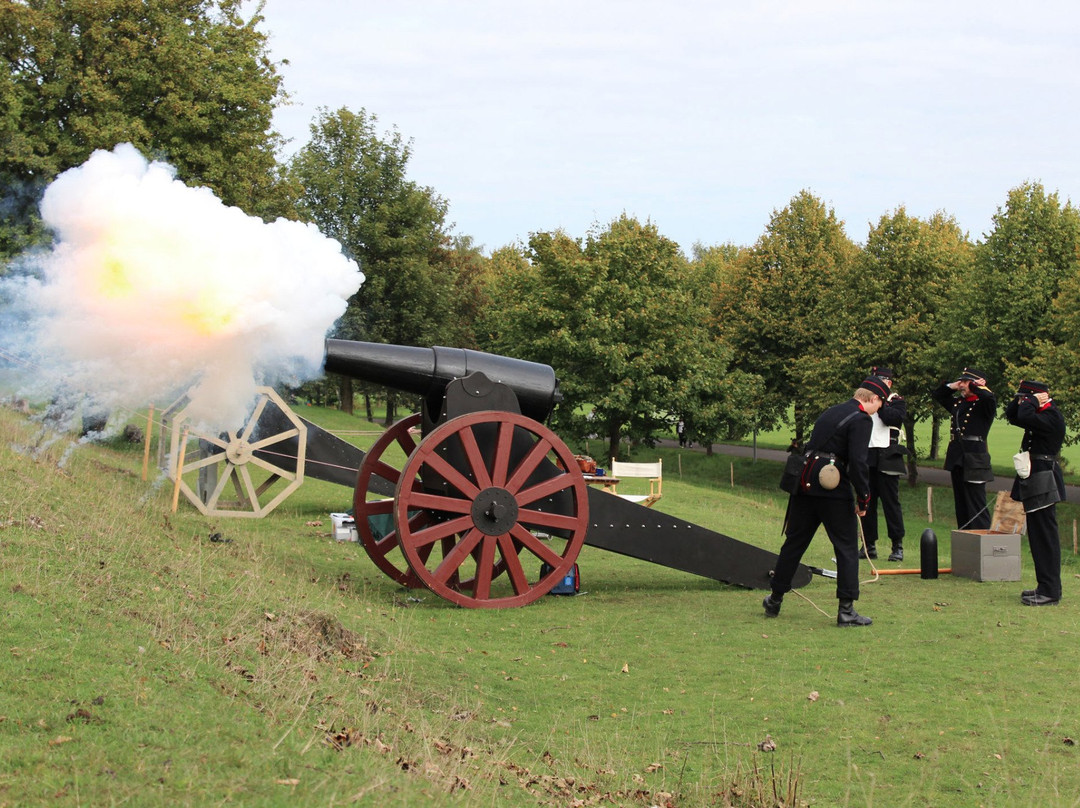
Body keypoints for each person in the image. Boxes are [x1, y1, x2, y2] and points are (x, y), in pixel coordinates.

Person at [764, 376, 889, 627]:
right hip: (832, 486)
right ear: (873, 399)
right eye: (880, 404)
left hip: (805, 482)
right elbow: (858, 462)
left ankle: (775, 599)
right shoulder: (862, 419)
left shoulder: (832, 411)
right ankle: (846, 610)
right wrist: (864, 498)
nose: (879, 410)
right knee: (846, 548)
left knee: (795, 543)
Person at [1005, 380, 1066, 606]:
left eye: (1026, 398)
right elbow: (1014, 416)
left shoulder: (1052, 416)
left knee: (1045, 535)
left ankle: (1050, 590)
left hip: (1044, 476)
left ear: (1040, 397)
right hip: (1035, 475)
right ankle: (1045, 586)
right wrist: (1020, 398)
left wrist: (1030, 401)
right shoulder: (1039, 413)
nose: (1022, 402)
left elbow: (1026, 416)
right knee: (1037, 534)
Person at [932, 368, 997, 530]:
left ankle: (981, 537)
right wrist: (953, 386)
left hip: (975, 458)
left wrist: (977, 387)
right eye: (961, 381)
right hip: (958, 456)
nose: (962, 385)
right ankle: (964, 537)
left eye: (966, 382)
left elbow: (989, 397)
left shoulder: (984, 404)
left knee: (976, 503)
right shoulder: (959, 403)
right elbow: (938, 395)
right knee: (961, 504)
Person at [859, 366, 907, 561]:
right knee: (866, 502)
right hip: (868, 456)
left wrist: (881, 402)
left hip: (888, 457)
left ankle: (897, 545)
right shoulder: (865, 402)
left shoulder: (896, 401)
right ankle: (868, 544)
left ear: (889, 383)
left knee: (891, 504)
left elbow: (891, 419)